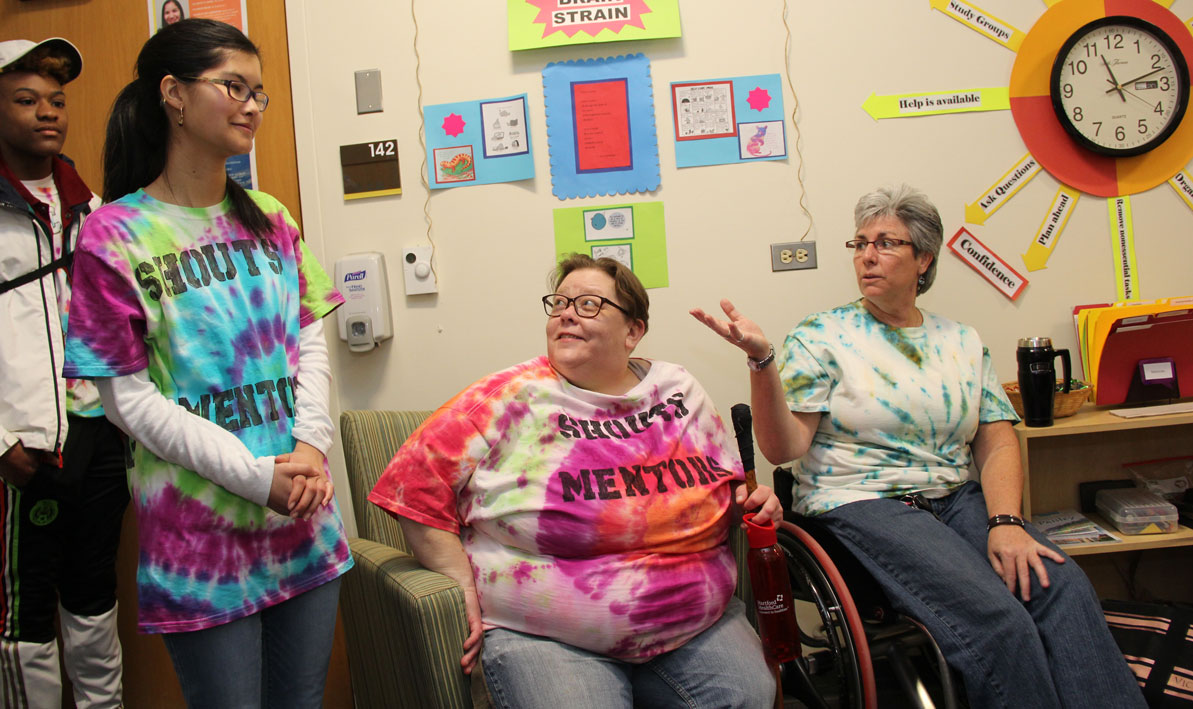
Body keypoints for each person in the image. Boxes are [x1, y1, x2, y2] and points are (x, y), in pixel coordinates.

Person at [692, 185, 1145, 709]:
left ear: (924, 258)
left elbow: (996, 440)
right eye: (860, 243)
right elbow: (783, 446)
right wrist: (762, 361)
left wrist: (1006, 523)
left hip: (957, 498)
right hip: (862, 503)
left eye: (886, 243)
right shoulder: (822, 335)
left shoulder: (961, 342)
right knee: (996, 621)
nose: (867, 255)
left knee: (1061, 588)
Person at [61, 19, 352, 707]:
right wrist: (256, 477)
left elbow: (308, 337)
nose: (251, 104)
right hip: (200, 545)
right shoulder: (113, 234)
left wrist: (312, 446)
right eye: (233, 87)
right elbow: (126, 400)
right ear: (173, 94)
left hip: (302, 518)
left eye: (259, 92)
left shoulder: (272, 217)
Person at [369, 254, 783, 709]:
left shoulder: (677, 388)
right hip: (548, 638)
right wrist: (460, 582)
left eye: (588, 304)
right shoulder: (509, 395)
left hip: (696, 627)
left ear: (633, 330)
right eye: (559, 303)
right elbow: (408, 484)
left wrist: (756, 502)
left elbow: (728, 487)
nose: (566, 313)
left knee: (748, 699)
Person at [0, 37, 128, 708]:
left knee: (93, 595)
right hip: (21, 448)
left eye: (56, 100)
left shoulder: (94, 208)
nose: (47, 113)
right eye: (24, 100)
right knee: (24, 620)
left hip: (97, 435)